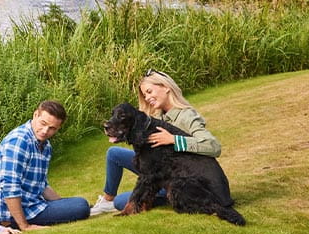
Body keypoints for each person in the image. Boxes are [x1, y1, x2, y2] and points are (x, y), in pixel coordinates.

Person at [88, 69, 223, 216]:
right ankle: (107, 200)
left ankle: (168, 197)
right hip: (157, 168)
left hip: (179, 177)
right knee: (114, 154)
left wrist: (174, 139)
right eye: (145, 95)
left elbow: (213, 146)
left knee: (121, 202)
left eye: (150, 91)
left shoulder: (186, 115)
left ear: (166, 87)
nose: (147, 98)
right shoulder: (156, 116)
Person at [0, 100, 90, 230]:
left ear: (58, 128)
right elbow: (10, 187)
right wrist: (25, 226)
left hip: (33, 205)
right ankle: (17, 224)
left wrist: (63, 204)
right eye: (43, 123)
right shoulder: (19, 141)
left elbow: (42, 186)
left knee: (77, 205)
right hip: (9, 216)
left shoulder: (45, 146)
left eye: (52, 128)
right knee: (81, 206)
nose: (45, 131)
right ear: (35, 115)